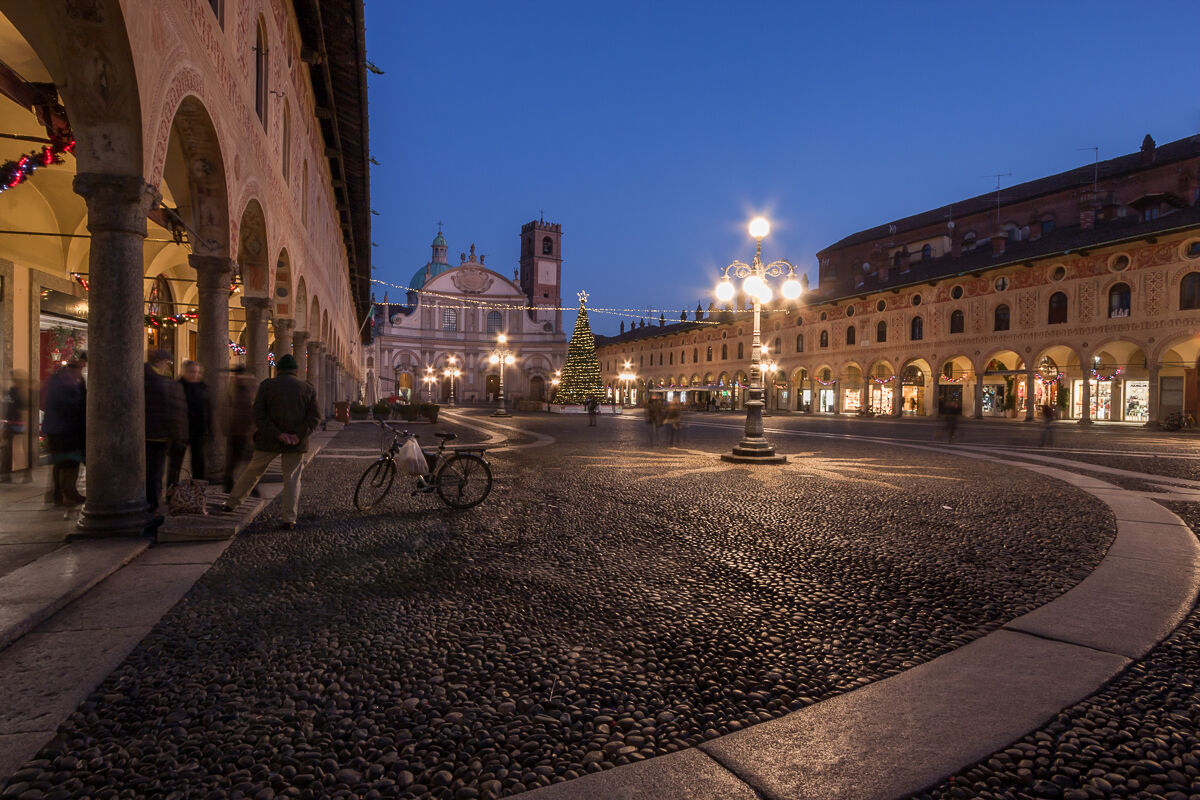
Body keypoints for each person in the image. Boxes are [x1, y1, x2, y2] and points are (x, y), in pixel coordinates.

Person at [222, 354, 319, 529]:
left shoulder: (267, 385)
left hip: (268, 440)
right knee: (292, 479)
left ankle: (232, 503)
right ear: (296, 371)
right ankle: (289, 518)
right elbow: (314, 417)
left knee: (253, 471)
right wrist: (298, 435)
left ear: (278, 370)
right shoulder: (307, 388)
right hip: (296, 443)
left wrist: (277, 434)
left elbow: (258, 415)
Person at [41, 352, 87, 506]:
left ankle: (58, 494)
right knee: (68, 462)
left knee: (60, 462)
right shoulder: (68, 382)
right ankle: (67, 493)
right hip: (65, 429)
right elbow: (71, 405)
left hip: (56, 428)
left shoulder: (58, 379)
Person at [144, 349, 186, 513]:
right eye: (167, 363)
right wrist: (179, 433)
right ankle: (152, 503)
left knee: (150, 470)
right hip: (158, 433)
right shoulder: (162, 382)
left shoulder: (144, 375)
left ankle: (150, 500)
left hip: (147, 432)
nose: (167, 366)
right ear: (161, 362)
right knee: (155, 470)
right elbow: (173, 411)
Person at [168, 360, 212, 487]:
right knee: (176, 464)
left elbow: (208, 410)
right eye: (192, 372)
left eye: (197, 372)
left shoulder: (203, 387)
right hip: (180, 430)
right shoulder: (177, 386)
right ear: (185, 372)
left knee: (198, 462)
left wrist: (208, 429)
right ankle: (172, 490)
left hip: (198, 430)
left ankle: (198, 490)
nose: (195, 374)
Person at [224, 365, 257, 493]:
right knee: (233, 462)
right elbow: (226, 408)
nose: (238, 377)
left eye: (240, 374)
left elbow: (254, 409)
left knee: (248, 462)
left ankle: (251, 488)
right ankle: (229, 486)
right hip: (235, 431)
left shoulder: (251, 388)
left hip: (247, 432)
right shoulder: (232, 388)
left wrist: (253, 429)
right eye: (236, 374)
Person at [0, 370, 29, 483]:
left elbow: (21, 409)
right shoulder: (11, 391)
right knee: (10, 449)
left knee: (16, 449)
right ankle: (8, 474)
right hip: (11, 423)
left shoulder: (18, 392)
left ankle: (23, 474)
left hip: (15, 423)